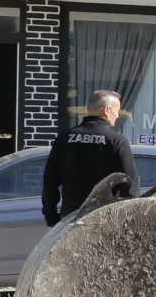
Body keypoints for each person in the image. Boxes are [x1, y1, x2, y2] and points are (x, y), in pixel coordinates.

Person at [41, 89, 139, 224]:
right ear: (106, 110)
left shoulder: (64, 138)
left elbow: (50, 182)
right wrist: (127, 221)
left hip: (70, 219)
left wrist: (51, 219)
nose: (117, 115)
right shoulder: (116, 140)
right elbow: (129, 185)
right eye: (117, 110)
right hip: (104, 220)